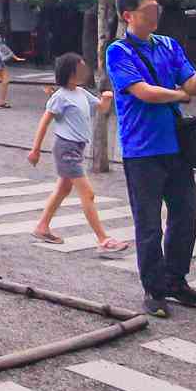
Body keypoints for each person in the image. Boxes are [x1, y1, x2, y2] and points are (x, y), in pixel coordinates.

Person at [105, 0, 196, 319]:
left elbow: (194, 86)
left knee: (185, 214)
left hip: (176, 148)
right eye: (148, 10)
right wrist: (179, 96)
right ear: (128, 16)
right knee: (148, 224)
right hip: (142, 150)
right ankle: (154, 289)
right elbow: (144, 93)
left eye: (157, 8)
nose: (155, 14)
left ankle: (176, 279)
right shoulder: (118, 51)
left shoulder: (168, 45)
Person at [25, 52, 128, 251]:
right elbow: (45, 121)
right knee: (88, 193)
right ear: (70, 72)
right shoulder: (60, 97)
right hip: (66, 149)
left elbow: (101, 108)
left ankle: (42, 226)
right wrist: (35, 149)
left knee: (64, 189)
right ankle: (103, 239)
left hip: (77, 149)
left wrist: (107, 98)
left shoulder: (81, 92)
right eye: (80, 68)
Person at [0, 22, 23, 109]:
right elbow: (3, 48)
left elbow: (3, 48)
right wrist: (14, 56)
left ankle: (1, 101)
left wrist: (13, 56)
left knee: (5, 81)